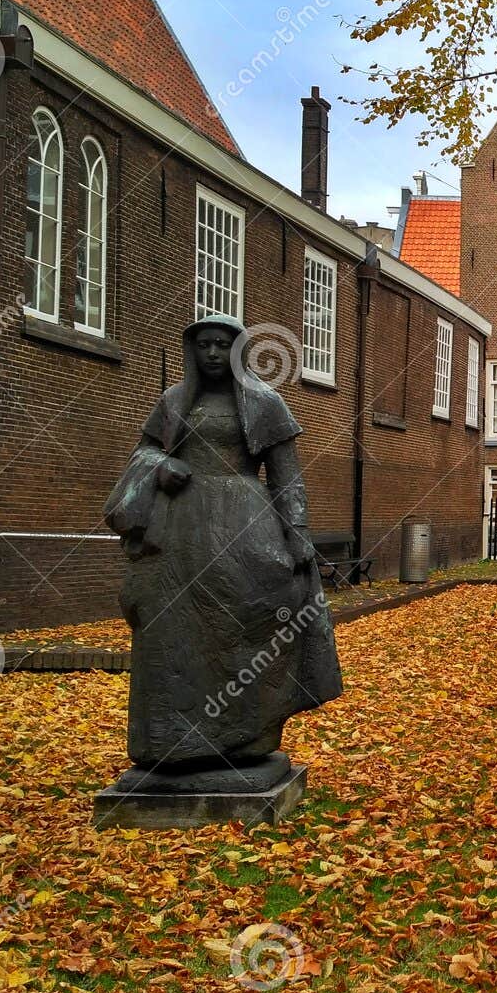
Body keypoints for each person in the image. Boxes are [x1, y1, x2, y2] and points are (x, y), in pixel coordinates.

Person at [102, 314, 342, 791]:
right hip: (180, 532)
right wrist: (161, 464)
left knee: (246, 627)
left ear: (237, 352)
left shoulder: (265, 402)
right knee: (172, 633)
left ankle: (246, 737)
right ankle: (169, 742)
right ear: (194, 351)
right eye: (205, 345)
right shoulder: (172, 402)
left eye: (221, 345)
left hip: (246, 527)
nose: (212, 353)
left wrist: (298, 535)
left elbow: (286, 475)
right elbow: (141, 455)